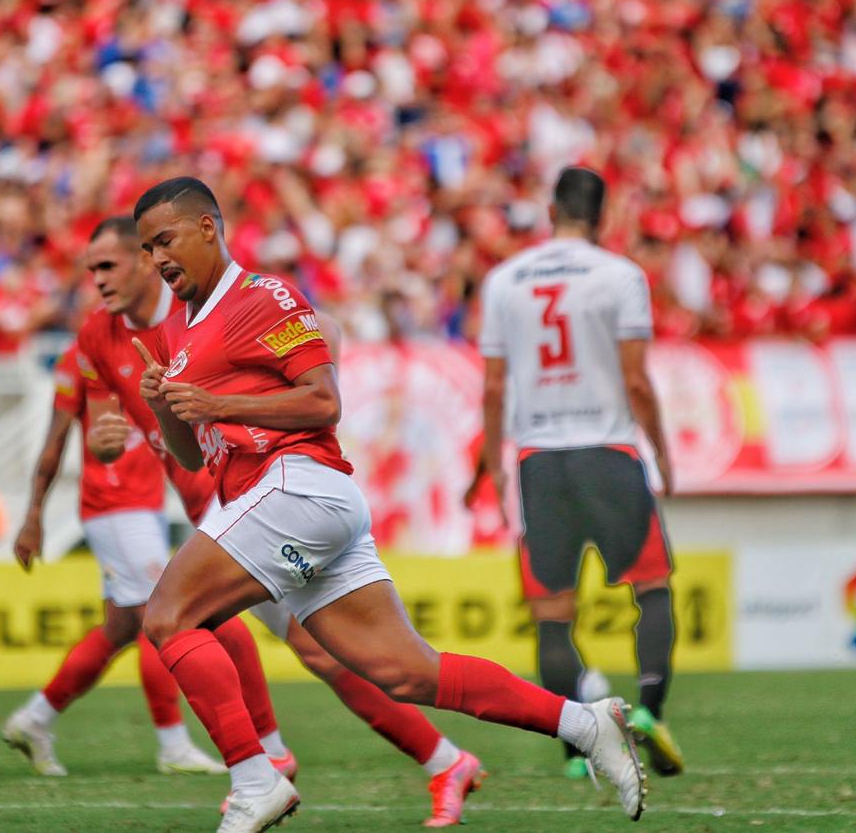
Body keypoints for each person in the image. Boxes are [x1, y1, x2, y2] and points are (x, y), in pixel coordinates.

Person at [129, 178, 647, 833]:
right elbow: (191, 453)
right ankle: (585, 721)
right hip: (294, 501)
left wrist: (217, 403)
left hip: (297, 486)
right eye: (148, 248)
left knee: (170, 615)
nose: (157, 259)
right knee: (407, 673)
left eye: (165, 240)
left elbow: (323, 401)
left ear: (209, 227)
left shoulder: (264, 296)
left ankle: (255, 777)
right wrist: (163, 402)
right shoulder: (184, 326)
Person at [74, 216, 487, 827]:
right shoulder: (100, 337)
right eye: (96, 268)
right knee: (280, 643)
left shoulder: (215, 300)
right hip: (215, 506)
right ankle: (424, 760)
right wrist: (107, 442)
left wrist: (303, 399)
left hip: (262, 496)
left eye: (115, 263)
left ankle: (273, 758)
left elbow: (323, 330)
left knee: (224, 627)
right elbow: (125, 426)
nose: (99, 279)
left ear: (145, 265)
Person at [467, 166, 685, 779]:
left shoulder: (504, 280)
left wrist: (491, 460)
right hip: (609, 450)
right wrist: (662, 450)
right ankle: (649, 712)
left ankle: (572, 749)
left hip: (539, 460)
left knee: (554, 613)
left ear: (551, 210)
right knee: (652, 589)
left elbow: (491, 384)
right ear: (602, 214)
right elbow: (637, 379)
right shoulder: (620, 276)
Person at [0, 338, 223, 777]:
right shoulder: (86, 352)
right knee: (160, 617)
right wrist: (33, 514)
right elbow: (55, 438)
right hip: (115, 505)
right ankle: (173, 745)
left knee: (121, 627)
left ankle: (34, 720)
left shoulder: (155, 341)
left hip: (144, 505)